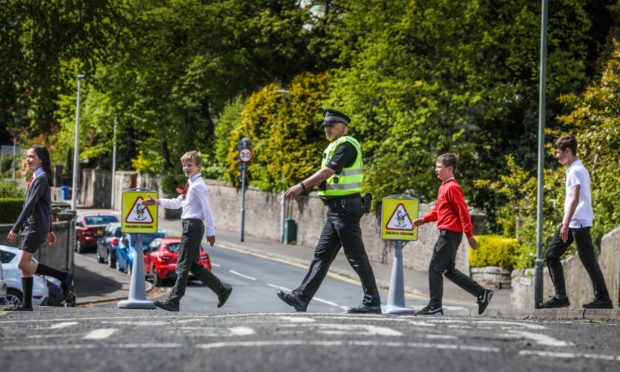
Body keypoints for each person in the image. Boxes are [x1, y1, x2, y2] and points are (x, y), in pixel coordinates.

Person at [276, 109, 382, 314]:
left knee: (356, 257)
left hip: (345, 209)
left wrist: (301, 186)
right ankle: (301, 297)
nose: (327, 129)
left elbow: (327, 172)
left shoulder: (347, 145)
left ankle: (372, 302)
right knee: (321, 255)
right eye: (325, 126)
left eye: (331, 125)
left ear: (343, 126)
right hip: (336, 211)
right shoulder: (334, 146)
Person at [143, 151, 232, 312]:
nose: (186, 168)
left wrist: (211, 232)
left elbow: (207, 209)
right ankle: (222, 290)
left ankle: (174, 300)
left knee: (182, 265)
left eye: (190, 165)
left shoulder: (198, 186)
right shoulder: (190, 184)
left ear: (198, 167)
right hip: (190, 226)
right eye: (184, 165)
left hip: (193, 226)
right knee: (193, 266)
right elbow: (177, 203)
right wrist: (156, 202)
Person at [412, 153, 494, 316]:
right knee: (448, 270)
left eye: (439, 167)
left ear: (449, 169)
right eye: (436, 166)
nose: (436, 169)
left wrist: (469, 235)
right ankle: (482, 293)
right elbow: (438, 211)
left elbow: (463, 212)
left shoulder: (453, 187)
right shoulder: (443, 186)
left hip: (450, 234)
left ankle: (435, 306)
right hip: (448, 233)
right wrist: (424, 219)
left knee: (435, 268)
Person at [538, 135, 612, 309]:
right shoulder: (577, 168)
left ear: (567, 151)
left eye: (558, 152)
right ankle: (561, 296)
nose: (557, 156)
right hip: (574, 222)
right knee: (552, 253)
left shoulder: (575, 170)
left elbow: (575, 198)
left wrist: (565, 224)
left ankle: (603, 299)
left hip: (577, 223)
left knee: (587, 259)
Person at [7, 145, 73, 311]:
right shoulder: (38, 177)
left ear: (41, 159)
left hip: (34, 227)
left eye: (32, 157)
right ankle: (27, 304)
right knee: (25, 267)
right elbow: (47, 206)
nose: (28, 160)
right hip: (35, 227)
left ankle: (63, 276)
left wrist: (15, 228)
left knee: (23, 264)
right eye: (28, 156)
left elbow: (29, 206)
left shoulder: (41, 179)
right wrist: (50, 229)